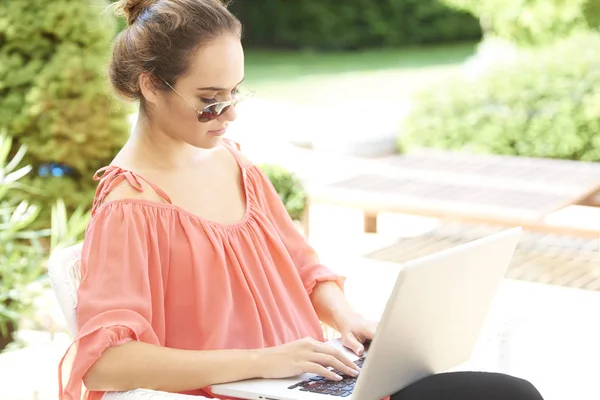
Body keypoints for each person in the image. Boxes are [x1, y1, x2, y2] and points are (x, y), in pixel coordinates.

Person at [58, 1, 545, 399]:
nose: (228, 115)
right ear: (150, 85)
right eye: (210, 99)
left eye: (234, 94)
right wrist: (267, 361)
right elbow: (106, 364)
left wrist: (347, 318)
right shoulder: (130, 207)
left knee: (510, 393)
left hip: (309, 380)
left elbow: (302, 267)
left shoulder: (234, 163)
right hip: (251, 390)